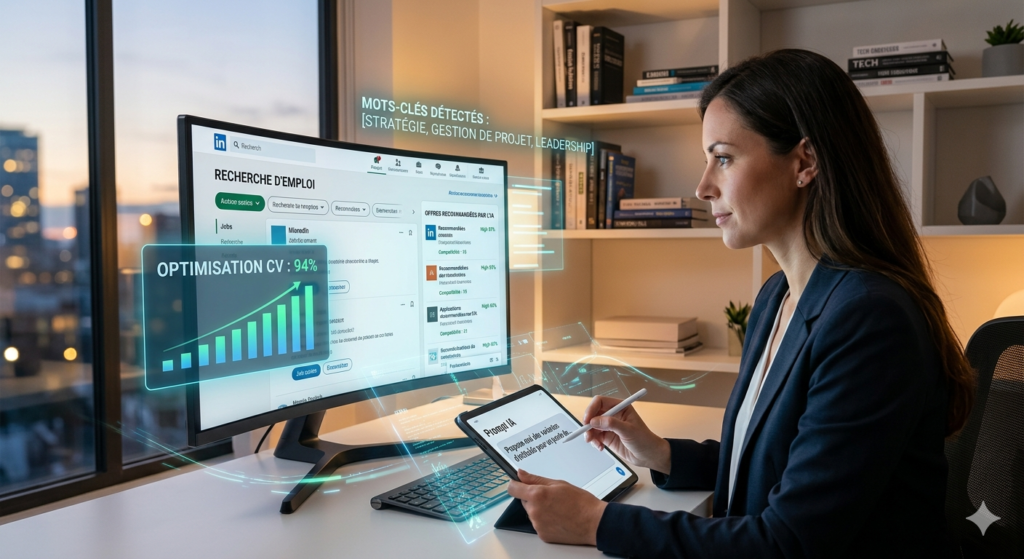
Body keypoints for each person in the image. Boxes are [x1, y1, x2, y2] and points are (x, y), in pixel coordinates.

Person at [506, 49, 974, 558]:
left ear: (805, 162)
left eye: (723, 158)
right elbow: (774, 465)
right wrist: (660, 454)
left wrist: (598, 523)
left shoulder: (869, 318)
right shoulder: (779, 297)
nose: (703, 186)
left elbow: (789, 542)